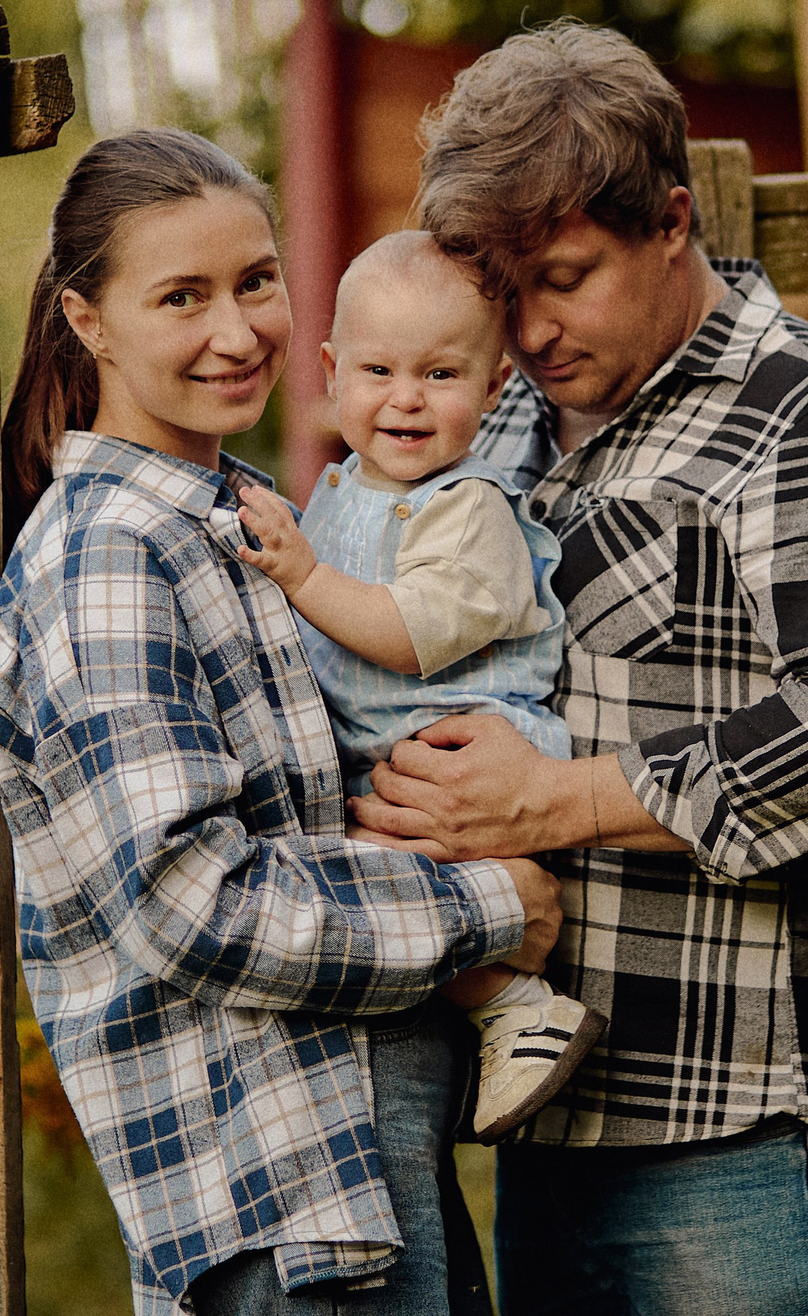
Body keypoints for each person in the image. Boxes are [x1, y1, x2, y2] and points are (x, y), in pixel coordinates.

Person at [354, 25, 808, 1316]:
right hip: (545, 1111)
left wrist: (552, 800)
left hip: (738, 1120)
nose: (527, 328)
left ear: (672, 220)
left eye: (566, 277)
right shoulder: (506, 416)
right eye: (503, 291)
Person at [0, 129, 560, 1316]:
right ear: (88, 321)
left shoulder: (249, 520)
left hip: (354, 1173)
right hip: (276, 1204)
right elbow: (193, 903)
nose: (238, 331)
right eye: (181, 295)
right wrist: (497, 902)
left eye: (255, 280)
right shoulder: (109, 559)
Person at [233, 231, 605, 1144]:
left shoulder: (468, 507)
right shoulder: (343, 486)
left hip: (460, 757)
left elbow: (403, 635)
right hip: (387, 756)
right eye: (378, 370)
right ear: (330, 372)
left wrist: (302, 578)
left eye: (441, 376)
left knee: (402, 878)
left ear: (494, 388)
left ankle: (516, 1006)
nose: (405, 398)